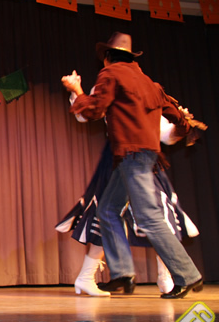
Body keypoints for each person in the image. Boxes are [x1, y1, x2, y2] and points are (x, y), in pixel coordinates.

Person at [61, 32, 203, 299]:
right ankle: (123, 273)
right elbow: (177, 116)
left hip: (132, 156)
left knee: (149, 217)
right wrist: (185, 127)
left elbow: (94, 110)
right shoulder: (150, 83)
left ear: (107, 57)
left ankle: (187, 275)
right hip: (137, 157)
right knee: (107, 209)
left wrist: (76, 91)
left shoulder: (111, 74)